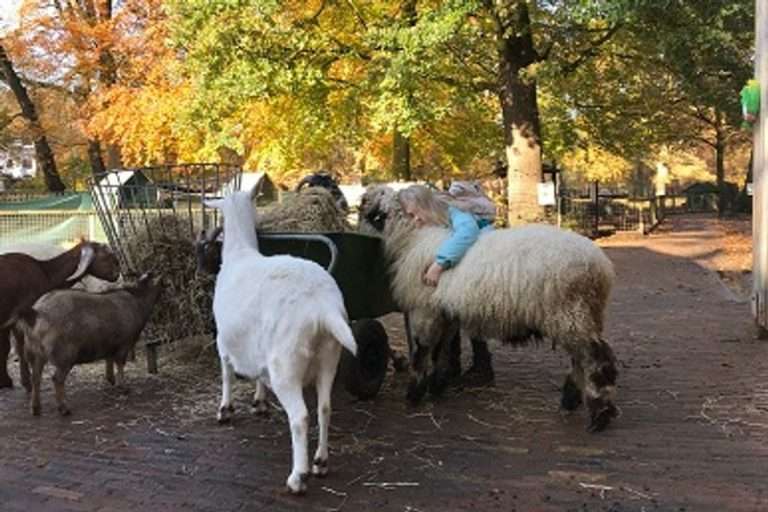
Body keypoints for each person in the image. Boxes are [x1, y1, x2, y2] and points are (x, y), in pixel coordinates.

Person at [396, 184, 496, 386]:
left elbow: (467, 233)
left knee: (468, 314)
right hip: (464, 265)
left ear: (427, 205)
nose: (416, 221)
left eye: (416, 215)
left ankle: (481, 366)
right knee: (449, 314)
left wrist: (439, 263)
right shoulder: (437, 218)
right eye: (411, 217)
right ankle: (451, 366)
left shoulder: (453, 211)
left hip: (482, 263)